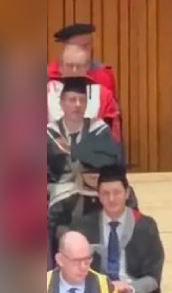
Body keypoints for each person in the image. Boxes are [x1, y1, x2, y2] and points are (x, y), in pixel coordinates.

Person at [46, 77, 123, 262]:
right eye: (72, 100)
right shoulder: (49, 132)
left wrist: (72, 152)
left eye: (82, 100)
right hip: (58, 192)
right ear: (62, 103)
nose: (77, 105)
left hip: (93, 190)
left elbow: (109, 160)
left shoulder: (98, 128)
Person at [47, 44, 121, 141]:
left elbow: (113, 138)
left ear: (87, 68)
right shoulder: (46, 93)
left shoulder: (103, 95)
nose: (74, 71)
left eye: (79, 66)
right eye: (69, 65)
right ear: (60, 67)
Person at [47, 23, 116, 95]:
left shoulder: (103, 75)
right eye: (81, 46)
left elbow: (110, 104)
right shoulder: (48, 74)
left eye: (88, 45)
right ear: (64, 48)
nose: (86, 50)